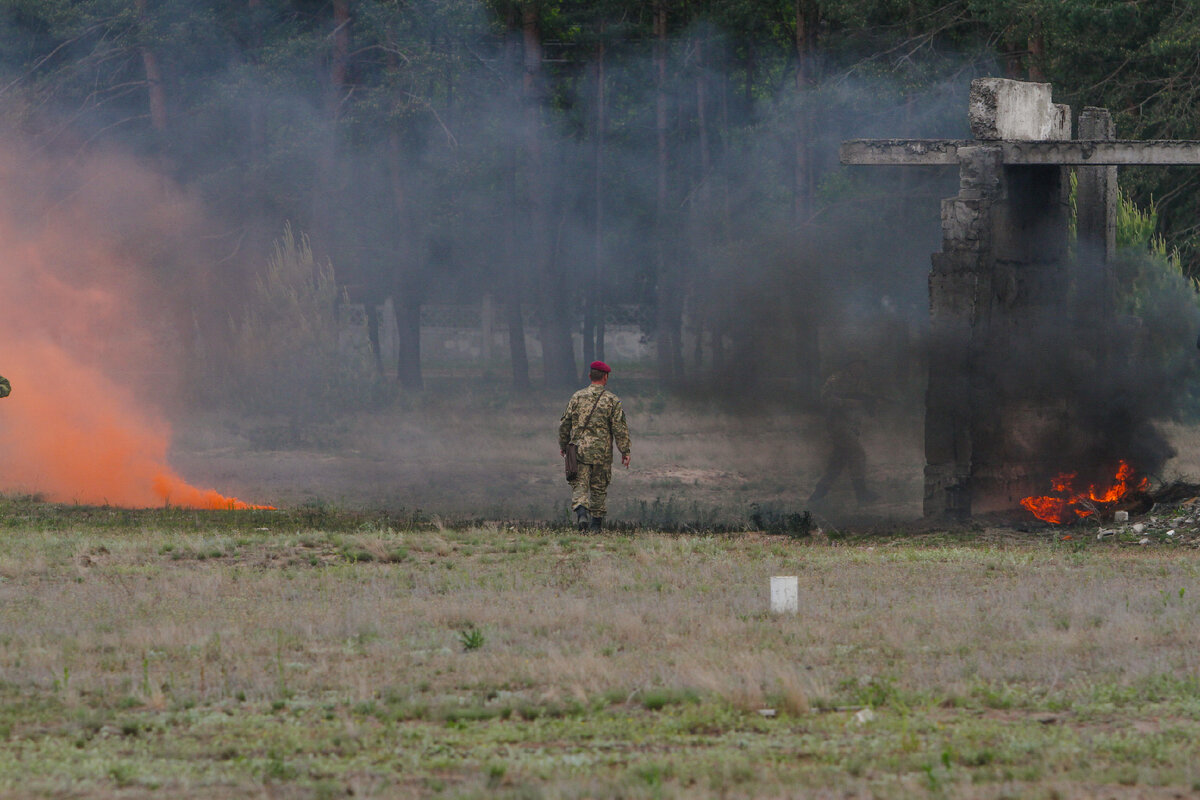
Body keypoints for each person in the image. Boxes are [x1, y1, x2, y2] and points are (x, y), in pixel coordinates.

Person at [559, 360, 632, 530]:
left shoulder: (577, 397)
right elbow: (619, 428)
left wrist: (563, 445)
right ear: (605, 377)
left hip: (579, 451)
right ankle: (596, 527)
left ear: (590, 376)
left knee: (580, 485)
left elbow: (565, 424)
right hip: (602, 453)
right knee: (599, 488)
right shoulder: (612, 401)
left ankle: (582, 514)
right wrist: (625, 451)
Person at [808, 358, 878, 508]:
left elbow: (866, 401)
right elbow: (825, 398)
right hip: (838, 425)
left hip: (852, 426)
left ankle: (817, 496)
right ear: (849, 365)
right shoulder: (836, 380)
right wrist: (847, 403)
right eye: (856, 365)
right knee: (858, 454)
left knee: (836, 464)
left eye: (862, 365)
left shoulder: (861, 382)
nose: (859, 369)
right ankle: (862, 494)